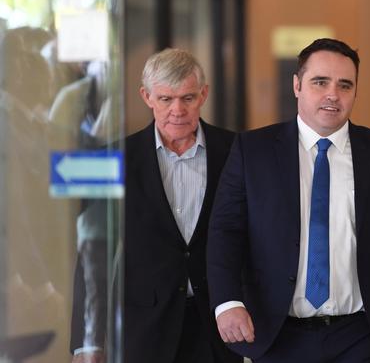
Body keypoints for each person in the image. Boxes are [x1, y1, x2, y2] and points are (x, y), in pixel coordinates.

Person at [206, 38, 370, 363]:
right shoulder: (252, 151)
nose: (333, 94)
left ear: (355, 92)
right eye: (320, 82)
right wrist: (228, 302)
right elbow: (225, 233)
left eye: (345, 85)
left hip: (361, 336)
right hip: (277, 334)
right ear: (297, 85)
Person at [70, 48, 242, 363]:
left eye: (188, 98)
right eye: (165, 99)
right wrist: (87, 341)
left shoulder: (237, 151)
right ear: (146, 97)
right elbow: (92, 257)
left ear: (203, 94)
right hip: (143, 330)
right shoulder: (109, 161)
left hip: (217, 327)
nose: (177, 110)